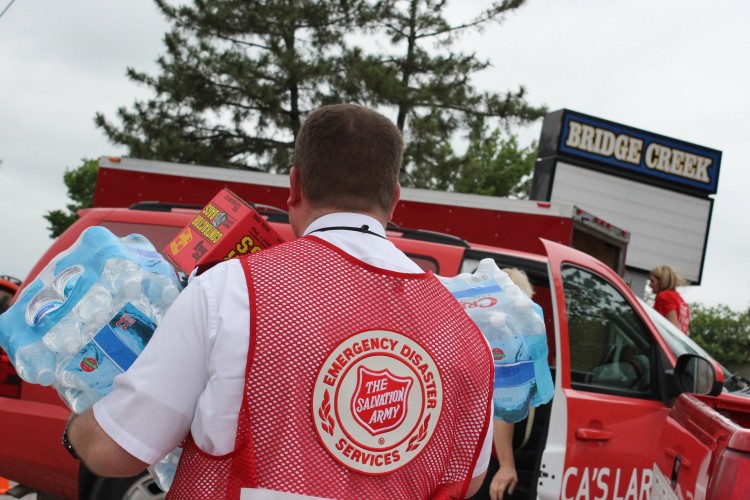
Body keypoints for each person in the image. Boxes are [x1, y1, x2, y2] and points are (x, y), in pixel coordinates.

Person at [66, 104, 495, 499]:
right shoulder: (465, 328)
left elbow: (115, 451)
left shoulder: (230, 289)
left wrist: (76, 428)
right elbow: (467, 477)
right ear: (395, 199)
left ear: (294, 186)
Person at [649, 265, 690, 334]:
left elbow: (673, 327)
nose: (650, 285)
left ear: (662, 281)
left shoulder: (663, 296)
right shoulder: (678, 298)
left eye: (652, 281)